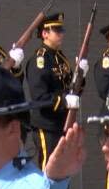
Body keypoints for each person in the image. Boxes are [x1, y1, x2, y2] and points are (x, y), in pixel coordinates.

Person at [25, 12, 76, 169]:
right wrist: (63, 101)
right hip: (46, 124)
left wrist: (81, 76)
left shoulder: (61, 58)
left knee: (63, 170)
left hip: (62, 123)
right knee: (49, 168)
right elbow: (40, 97)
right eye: (56, 30)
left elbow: (71, 87)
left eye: (61, 30)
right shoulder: (39, 60)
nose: (61, 34)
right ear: (45, 33)